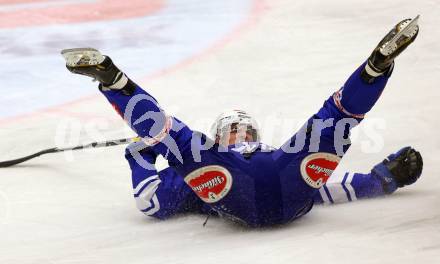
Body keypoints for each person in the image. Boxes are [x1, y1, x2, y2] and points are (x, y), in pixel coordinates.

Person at [62, 17, 423, 227]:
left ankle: (376, 67)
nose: (240, 134)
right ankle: (113, 80)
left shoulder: (243, 160)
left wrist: (140, 158)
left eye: (245, 130)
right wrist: (382, 180)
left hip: (264, 184)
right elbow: (151, 204)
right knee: (174, 136)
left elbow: (150, 203)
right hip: (264, 188)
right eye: (234, 130)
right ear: (220, 137)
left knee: (332, 120)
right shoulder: (211, 165)